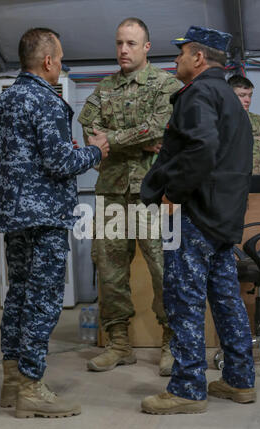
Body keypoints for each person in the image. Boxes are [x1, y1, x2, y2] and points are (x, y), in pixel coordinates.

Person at [0, 27, 109, 418]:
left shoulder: (3, 102)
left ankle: (12, 381)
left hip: (14, 215)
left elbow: (25, 156)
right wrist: (95, 151)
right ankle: (31, 388)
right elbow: (60, 163)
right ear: (49, 61)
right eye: (60, 57)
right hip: (44, 216)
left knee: (18, 297)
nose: (61, 65)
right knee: (43, 301)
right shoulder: (46, 101)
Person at [140, 26, 256, 415]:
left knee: (183, 301)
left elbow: (203, 149)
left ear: (199, 59)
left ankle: (188, 388)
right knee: (226, 299)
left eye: (181, 54)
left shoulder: (199, 94)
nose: (176, 61)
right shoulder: (230, 99)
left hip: (193, 217)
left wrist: (173, 194)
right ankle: (240, 380)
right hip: (222, 220)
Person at [78, 18, 182, 375]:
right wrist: (134, 142)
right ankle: (119, 344)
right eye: (120, 43)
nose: (124, 50)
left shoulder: (166, 84)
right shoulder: (104, 87)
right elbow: (88, 126)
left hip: (154, 193)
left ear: (147, 47)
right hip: (110, 191)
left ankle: (173, 342)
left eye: (131, 43)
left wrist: (113, 141)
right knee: (110, 270)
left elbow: (160, 127)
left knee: (163, 270)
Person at [228, 74, 260, 193]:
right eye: (242, 95)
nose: (247, 100)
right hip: (223, 192)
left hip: (254, 192)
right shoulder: (215, 124)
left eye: (250, 95)